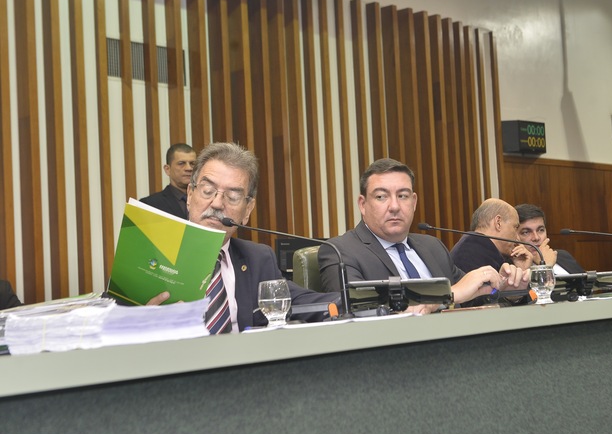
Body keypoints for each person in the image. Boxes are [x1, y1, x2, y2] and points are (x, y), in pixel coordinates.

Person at [149, 142, 338, 331]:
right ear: (190, 195)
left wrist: (350, 300)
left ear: (247, 210)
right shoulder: (154, 255)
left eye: (232, 197)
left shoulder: (258, 258)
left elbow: (301, 301)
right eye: (208, 191)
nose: (217, 203)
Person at [317, 158, 528, 310]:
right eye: (381, 197)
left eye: (403, 196)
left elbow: (473, 298)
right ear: (363, 204)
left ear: (414, 202)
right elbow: (357, 310)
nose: (394, 206)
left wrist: (505, 290)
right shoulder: (341, 252)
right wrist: (448, 295)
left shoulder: (432, 247)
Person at [450, 198, 533, 273]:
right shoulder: (472, 252)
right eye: (515, 227)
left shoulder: (479, 248)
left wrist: (522, 270)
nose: (518, 238)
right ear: (498, 223)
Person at [515, 204, 585, 275]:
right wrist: (545, 267)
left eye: (541, 230)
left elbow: (586, 281)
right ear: (514, 237)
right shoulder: (513, 268)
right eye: (526, 232)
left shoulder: (562, 255)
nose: (536, 238)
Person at [140, 143, 198, 218]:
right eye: (181, 163)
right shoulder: (148, 206)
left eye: (192, 164)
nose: (189, 168)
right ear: (167, 169)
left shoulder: (208, 200)